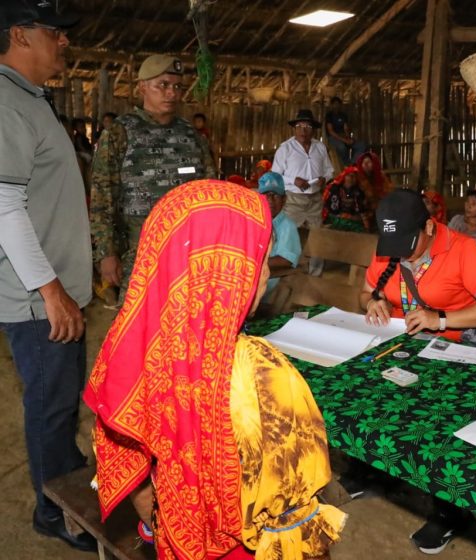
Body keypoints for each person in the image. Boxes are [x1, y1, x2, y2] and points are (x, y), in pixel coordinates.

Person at [84, 180, 345, 559]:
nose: (265, 276)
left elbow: (133, 470)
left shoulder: (126, 351)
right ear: (228, 266)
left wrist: (160, 524)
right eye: (260, 260)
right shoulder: (261, 374)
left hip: (174, 541)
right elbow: (291, 512)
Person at [360, 189, 476, 554]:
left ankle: (448, 512)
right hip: (401, 343)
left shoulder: (461, 249)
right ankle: (375, 470)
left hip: (453, 351)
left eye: (407, 243)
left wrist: (441, 318)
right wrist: (373, 303)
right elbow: (365, 291)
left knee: (442, 420)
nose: (399, 252)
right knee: (369, 391)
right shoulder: (390, 245)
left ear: (429, 225)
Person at [0, 0, 97, 551]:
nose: (63, 40)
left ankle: (64, 474)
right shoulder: (5, 101)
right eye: (54, 31)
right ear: (20, 34)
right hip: (39, 298)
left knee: (62, 399)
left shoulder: (31, 99)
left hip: (57, 290)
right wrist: (51, 290)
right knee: (50, 402)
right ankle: (52, 511)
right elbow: (3, 204)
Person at [90, 54, 215, 306]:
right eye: (163, 85)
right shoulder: (120, 132)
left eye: (177, 87)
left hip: (187, 251)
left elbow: (209, 192)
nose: (171, 93)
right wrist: (106, 253)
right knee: (137, 326)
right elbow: (102, 197)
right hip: (138, 253)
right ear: (142, 87)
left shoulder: (190, 135)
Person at [272, 108, 335, 276]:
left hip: (315, 199)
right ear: (294, 128)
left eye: (307, 126)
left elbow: (330, 170)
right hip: (293, 200)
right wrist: (294, 181)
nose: (303, 130)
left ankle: (315, 274)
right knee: (288, 235)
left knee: (317, 237)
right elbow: (276, 176)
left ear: (313, 129)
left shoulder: (320, 147)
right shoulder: (285, 149)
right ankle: (286, 273)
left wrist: (323, 179)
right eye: (300, 126)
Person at [257, 171, 302, 299]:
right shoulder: (256, 222)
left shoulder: (287, 226)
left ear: (284, 199)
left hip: (270, 283)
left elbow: (285, 260)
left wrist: (255, 263)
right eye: (266, 195)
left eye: (275, 196)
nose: (270, 200)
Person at [323, 165, 371, 232]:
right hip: (335, 217)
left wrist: (367, 227)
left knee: (359, 229)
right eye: (349, 176)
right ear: (344, 177)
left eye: (354, 176)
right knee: (342, 224)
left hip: (352, 218)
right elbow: (327, 206)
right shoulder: (335, 188)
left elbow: (362, 211)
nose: (352, 178)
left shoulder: (358, 192)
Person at [324, 96, 365, 166]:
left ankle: (352, 163)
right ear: (331, 105)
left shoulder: (343, 115)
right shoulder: (329, 116)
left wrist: (348, 138)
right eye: (334, 104)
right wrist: (344, 140)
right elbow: (331, 132)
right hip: (333, 138)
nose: (336, 106)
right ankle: (346, 165)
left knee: (362, 145)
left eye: (338, 104)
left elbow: (346, 128)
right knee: (342, 147)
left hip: (343, 136)